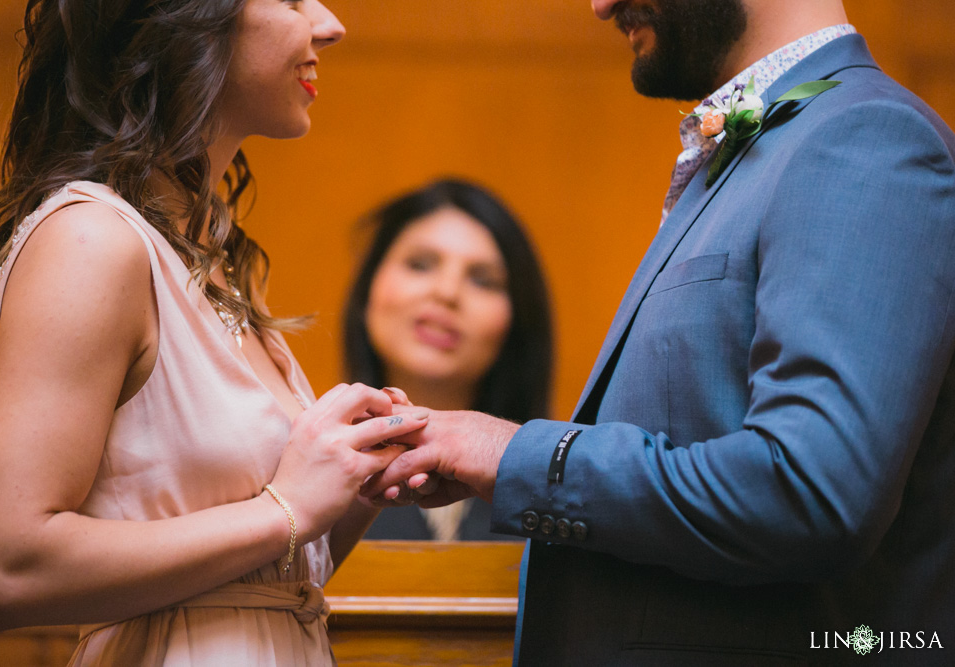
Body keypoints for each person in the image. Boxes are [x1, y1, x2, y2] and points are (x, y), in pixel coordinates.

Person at [363, 0, 955, 664]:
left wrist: (516, 458)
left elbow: (810, 488)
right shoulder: (769, 140)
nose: (600, 5)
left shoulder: (863, 136)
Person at [0, 1, 428, 664]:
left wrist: (350, 485)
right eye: (292, 0)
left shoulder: (213, 260)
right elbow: (2, 570)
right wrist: (285, 510)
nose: (329, 23)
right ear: (192, 18)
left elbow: (245, 583)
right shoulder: (92, 241)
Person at [343, 178, 553, 541]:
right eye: (421, 264)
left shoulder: (553, 487)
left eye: (484, 281)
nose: (447, 292)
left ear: (517, 322)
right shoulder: (300, 465)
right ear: (367, 292)